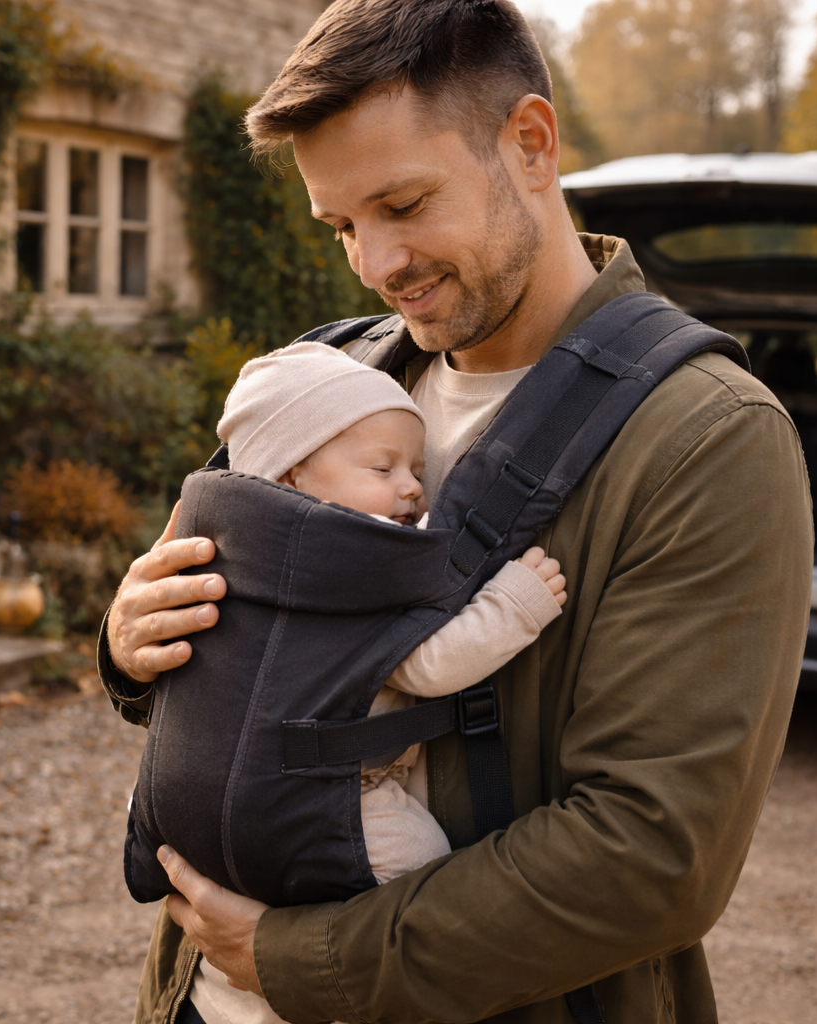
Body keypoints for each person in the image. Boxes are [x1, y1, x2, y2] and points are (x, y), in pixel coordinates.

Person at [99, 1, 814, 1021]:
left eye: (403, 203)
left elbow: (652, 854)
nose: (378, 265)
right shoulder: (329, 377)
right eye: (344, 225)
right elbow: (206, 642)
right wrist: (130, 637)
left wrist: (305, 957)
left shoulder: (706, 439)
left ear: (529, 142)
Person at [191, 340, 567, 1024]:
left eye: (417, 469)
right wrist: (514, 605)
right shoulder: (340, 564)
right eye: (382, 466)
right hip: (341, 792)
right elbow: (423, 665)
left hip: (220, 783)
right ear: (294, 475)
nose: (413, 487)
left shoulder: (235, 547)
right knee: (423, 873)